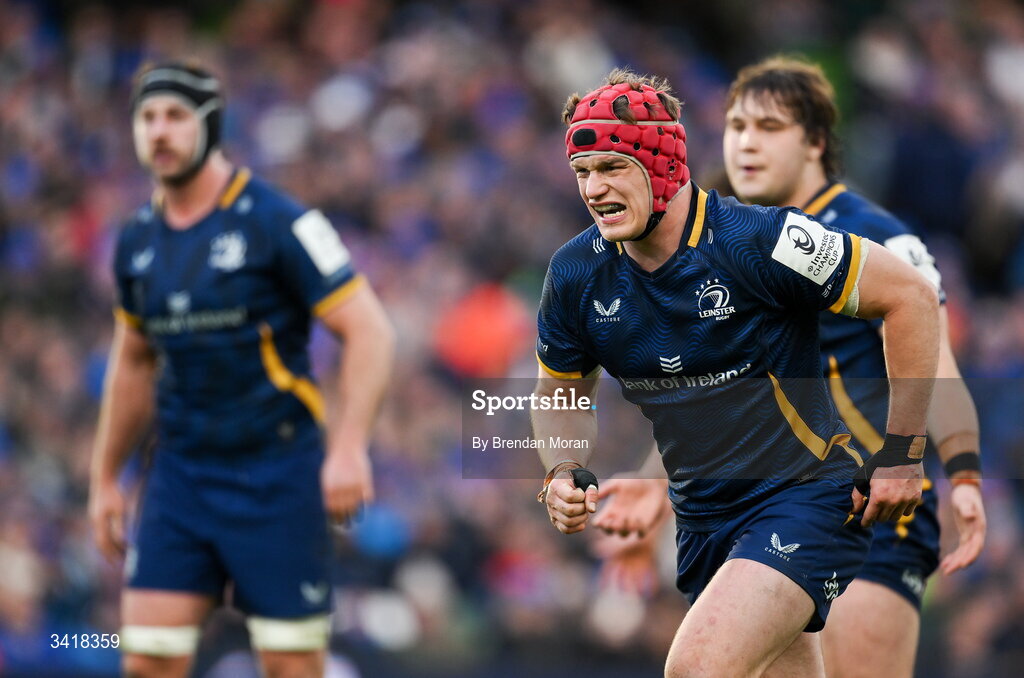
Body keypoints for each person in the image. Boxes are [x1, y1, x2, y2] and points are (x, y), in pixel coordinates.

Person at [532, 67, 938, 678]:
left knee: (695, 669)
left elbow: (909, 296)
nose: (593, 188)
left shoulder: (761, 240)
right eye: (583, 172)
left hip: (806, 501)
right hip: (704, 525)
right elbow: (560, 395)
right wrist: (561, 469)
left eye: (614, 167)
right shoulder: (574, 275)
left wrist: (905, 451)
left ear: (663, 167)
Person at [87, 61, 394, 678]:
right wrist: (104, 477)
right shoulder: (137, 240)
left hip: (276, 472)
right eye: (147, 118)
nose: (160, 132)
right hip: (180, 474)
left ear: (210, 124)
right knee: (147, 658)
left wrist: (349, 447)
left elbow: (370, 330)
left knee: (289, 663)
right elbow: (134, 359)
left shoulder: (278, 221)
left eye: (175, 116)